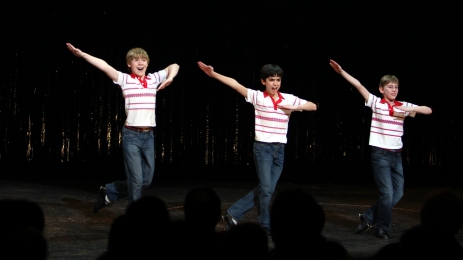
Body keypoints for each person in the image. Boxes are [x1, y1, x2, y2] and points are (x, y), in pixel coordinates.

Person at [197, 61, 317, 238]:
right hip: (263, 149)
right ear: (263, 82)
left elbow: (313, 105)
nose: (275, 83)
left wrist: (295, 107)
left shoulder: (289, 99)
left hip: (279, 150)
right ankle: (263, 225)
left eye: (278, 80)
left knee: (265, 189)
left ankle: (232, 214)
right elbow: (235, 84)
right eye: (271, 80)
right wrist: (214, 74)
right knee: (266, 189)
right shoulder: (257, 97)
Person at [66, 43, 179, 212]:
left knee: (145, 180)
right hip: (131, 136)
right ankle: (135, 215)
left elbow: (174, 66)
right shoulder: (125, 80)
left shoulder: (154, 78)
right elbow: (104, 65)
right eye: (135, 60)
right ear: (129, 64)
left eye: (143, 60)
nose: (140, 63)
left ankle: (110, 191)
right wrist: (82, 55)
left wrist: (170, 77)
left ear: (147, 63)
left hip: (149, 136)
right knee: (136, 180)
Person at [329, 59, 432, 239]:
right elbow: (359, 85)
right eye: (390, 87)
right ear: (382, 89)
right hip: (381, 155)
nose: (394, 90)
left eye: (396, 87)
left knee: (397, 193)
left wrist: (406, 108)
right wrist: (341, 72)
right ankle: (383, 227)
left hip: (396, 156)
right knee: (387, 193)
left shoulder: (403, 106)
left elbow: (428, 110)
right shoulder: (376, 103)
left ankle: (368, 218)